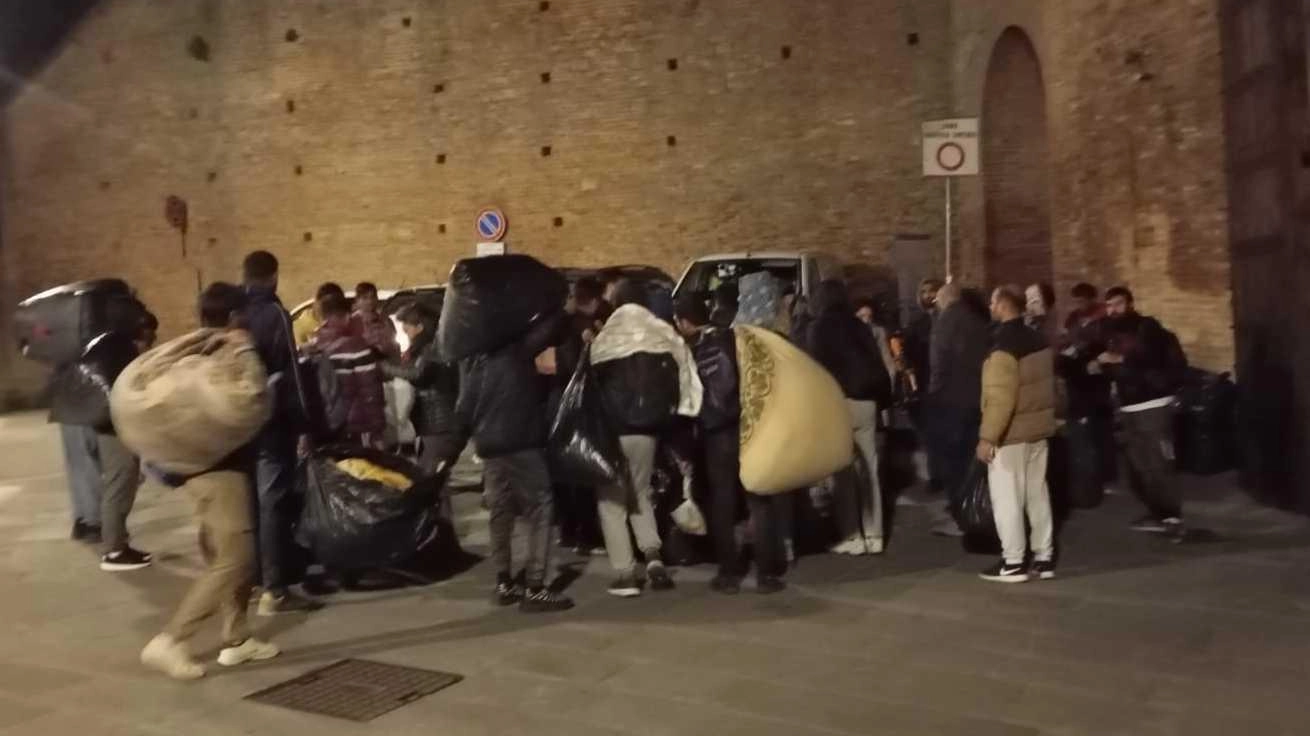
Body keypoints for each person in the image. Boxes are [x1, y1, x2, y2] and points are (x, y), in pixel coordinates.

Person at [140, 282, 280, 680]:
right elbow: (251, 397)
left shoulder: (189, 351)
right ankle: (171, 640)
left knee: (223, 551)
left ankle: (237, 638)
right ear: (235, 316)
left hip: (196, 470)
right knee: (237, 556)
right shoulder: (227, 351)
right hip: (219, 471)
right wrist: (246, 348)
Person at [456, 310, 574, 613]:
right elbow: (554, 324)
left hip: (490, 445)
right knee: (541, 506)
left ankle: (504, 581)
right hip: (521, 441)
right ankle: (536, 586)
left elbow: (464, 409)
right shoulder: (518, 350)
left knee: (501, 511)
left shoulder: (474, 361)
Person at [590, 280, 701, 597]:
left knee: (611, 502)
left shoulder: (607, 336)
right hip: (649, 431)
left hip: (613, 431)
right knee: (640, 494)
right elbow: (686, 372)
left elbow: (591, 385)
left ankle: (626, 574)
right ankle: (653, 559)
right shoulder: (662, 332)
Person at [676, 297, 785, 595]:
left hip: (717, 435)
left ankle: (728, 573)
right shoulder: (743, 344)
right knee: (758, 500)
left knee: (722, 501)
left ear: (687, 322)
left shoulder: (699, 351)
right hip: (751, 430)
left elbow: (694, 399)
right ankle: (767, 573)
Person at [241, 250, 323, 615]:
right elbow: (291, 374)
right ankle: (275, 590)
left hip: (240, 423)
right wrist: (304, 425)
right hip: (272, 423)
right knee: (273, 502)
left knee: (252, 505)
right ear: (273, 276)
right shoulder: (274, 313)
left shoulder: (234, 312)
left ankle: (255, 579)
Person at [806, 280, 893, 556]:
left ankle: (853, 535)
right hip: (866, 402)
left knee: (843, 473)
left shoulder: (817, 328)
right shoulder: (859, 326)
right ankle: (875, 534)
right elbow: (877, 364)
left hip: (838, 403)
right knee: (870, 467)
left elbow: (815, 370)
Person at [976, 286, 1057, 583]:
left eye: (992, 301)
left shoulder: (1002, 347)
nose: (990, 306)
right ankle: (1044, 557)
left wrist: (988, 437)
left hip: (1011, 435)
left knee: (1007, 498)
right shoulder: (1039, 340)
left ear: (1000, 305)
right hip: (1039, 430)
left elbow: (1001, 398)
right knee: (1037, 494)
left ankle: (1013, 562)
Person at [1095, 286, 1188, 540]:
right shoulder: (1109, 331)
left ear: (1130, 303)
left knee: (1159, 464)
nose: (1113, 309)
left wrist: (1117, 360)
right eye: (1109, 305)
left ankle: (1172, 518)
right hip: (1128, 406)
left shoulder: (1147, 328)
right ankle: (1157, 513)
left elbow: (1147, 356)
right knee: (1139, 466)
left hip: (1153, 403)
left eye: (1118, 304)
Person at [82, 299, 154, 571]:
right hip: (113, 424)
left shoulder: (105, 342)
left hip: (107, 422)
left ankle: (119, 543)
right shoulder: (117, 346)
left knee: (122, 481)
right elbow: (125, 384)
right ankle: (113, 551)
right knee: (120, 482)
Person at [382, 302, 465, 520]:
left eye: (407, 327)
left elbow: (419, 374)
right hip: (438, 425)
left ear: (419, 327)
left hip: (441, 425)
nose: (405, 332)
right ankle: (445, 539)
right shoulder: (434, 346)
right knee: (437, 484)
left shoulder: (432, 349)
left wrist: (383, 368)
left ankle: (442, 539)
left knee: (432, 484)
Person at [926, 282, 991, 536]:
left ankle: (959, 516)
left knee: (953, 463)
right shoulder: (977, 321)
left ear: (944, 300)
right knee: (970, 460)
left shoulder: (945, 322)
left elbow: (938, 364)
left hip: (951, 402)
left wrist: (933, 396)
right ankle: (972, 510)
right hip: (977, 399)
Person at [1057, 283, 1114, 504]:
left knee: (1099, 428)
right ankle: (1090, 476)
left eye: (1082, 300)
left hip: (1095, 381)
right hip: (1076, 378)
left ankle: (1104, 475)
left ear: (1091, 299)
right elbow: (1065, 340)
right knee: (1083, 430)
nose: (1079, 305)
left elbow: (1100, 345)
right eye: (1076, 300)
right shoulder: (1073, 318)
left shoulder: (1102, 319)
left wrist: (1081, 350)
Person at [310, 293, 387, 447]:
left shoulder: (313, 347)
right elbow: (370, 391)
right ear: (344, 316)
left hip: (323, 427)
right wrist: (377, 430)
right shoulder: (355, 347)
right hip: (355, 428)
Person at [854, 298, 898, 384]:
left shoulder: (878, 331)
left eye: (869, 316)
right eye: (862, 316)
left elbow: (886, 355)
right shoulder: (848, 332)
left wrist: (892, 373)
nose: (866, 320)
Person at [351, 282, 399, 360]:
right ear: (357, 300)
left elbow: (394, 346)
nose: (370, 301)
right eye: (365, 298)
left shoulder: (386, 320)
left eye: (373, 297)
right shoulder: (352, 323)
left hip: (388, 366)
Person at [293, 282, 345, 348]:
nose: (329, 310)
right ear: (316, 303)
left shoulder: (347, 320)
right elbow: (295, 351)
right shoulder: (299, 326)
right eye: (326, 305)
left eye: (334, 306)